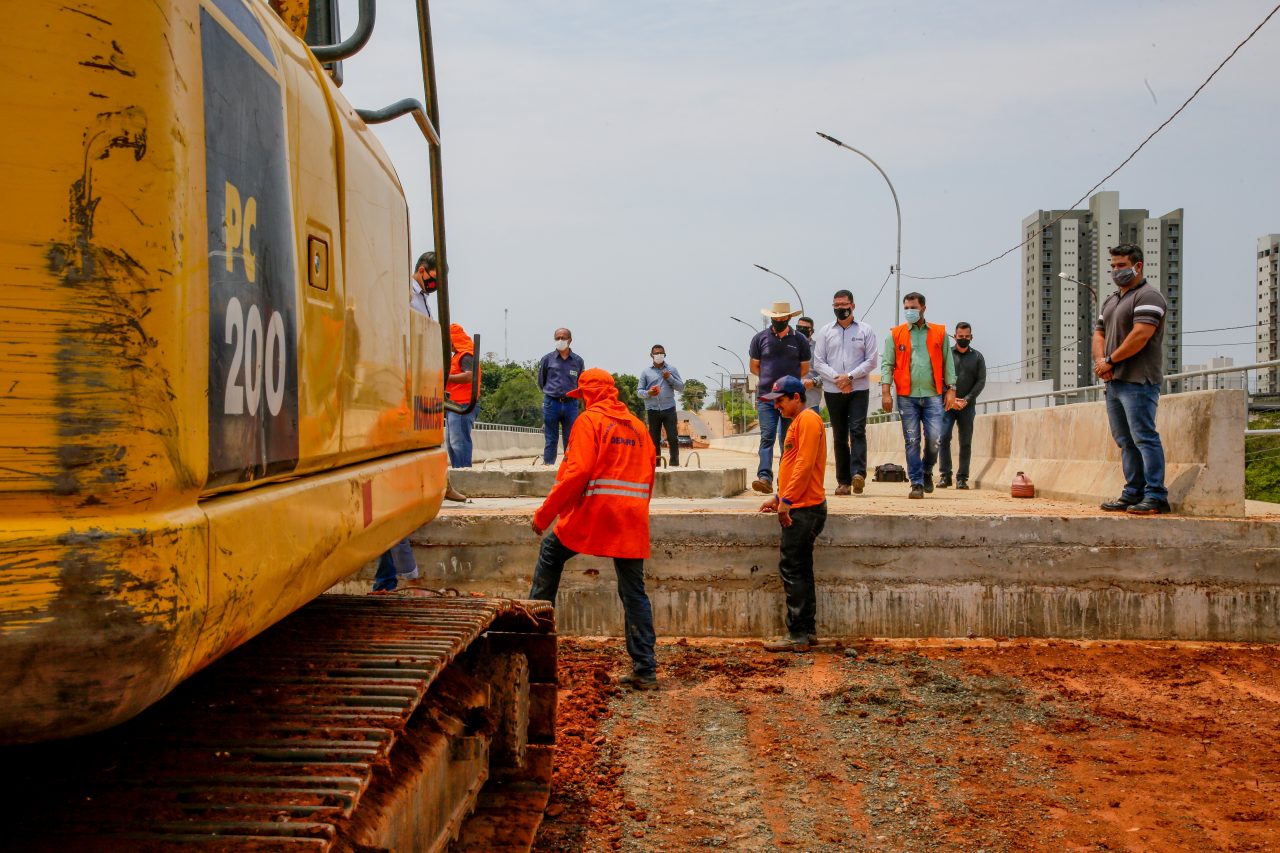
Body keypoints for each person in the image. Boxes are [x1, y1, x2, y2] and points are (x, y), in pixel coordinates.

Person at [528, 368, 660, 689]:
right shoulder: (639, 428)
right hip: (631, 518)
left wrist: (545, 515)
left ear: (587, 395)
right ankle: (646, 669)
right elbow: (649, 475)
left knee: (550, 555)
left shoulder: (589, 422)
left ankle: (531, 651)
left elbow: (577, 472)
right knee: (633, 592)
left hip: (595, 513)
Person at [1093, 243, 1171, 515]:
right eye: (1113, 266)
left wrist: (1110, 361)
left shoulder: (1149, 296)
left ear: (1138, 266)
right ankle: (1133, 491)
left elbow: (1140, 335)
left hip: (1138, 380)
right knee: (1124, 440)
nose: (1116, 270)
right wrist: (1101, 362)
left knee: (1144, 437)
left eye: (1121, 265)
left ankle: (1156, 494)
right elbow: (1099, 334)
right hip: (1114, 382)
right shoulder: (1112, 300)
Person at [756, 376, 828, 652]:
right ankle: (806, 631)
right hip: (800, 503)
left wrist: (786, 500)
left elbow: (805, 464)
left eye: (781, 401)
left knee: (793, 570)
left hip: (803, 508)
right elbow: (794, 465)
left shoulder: (808, 420)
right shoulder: (800, 422)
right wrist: (778, 497)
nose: (777, 407)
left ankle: (797, 633)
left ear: (796, 397)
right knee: (801, 570)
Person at [881, 292, 956, 499]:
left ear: (923, 308)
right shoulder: (895, 334)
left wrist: (951, 388)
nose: (909, 311)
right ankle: (916, 483)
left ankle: (926, 470)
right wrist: (886, 392)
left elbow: (948, 362)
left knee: (935, 439)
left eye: (912, 307)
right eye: (905, 308)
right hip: (907, 395)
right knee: (912, 440)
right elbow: (887, 364)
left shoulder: (939, 333)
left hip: (933, 394)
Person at [813, 289, 878, 496]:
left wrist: (849, 377)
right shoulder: (825, 332)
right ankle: (843, 481)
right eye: (836, 306)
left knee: (857, 430)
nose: (840, 309)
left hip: (858, 388)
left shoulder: (865, 330)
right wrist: (838, 379)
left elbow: (872, 361)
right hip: (833, 390)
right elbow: (819, 362)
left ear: (853, 306)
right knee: (840, 436)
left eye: (844, 305)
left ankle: (858, 473)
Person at [748, 301, 812, 494]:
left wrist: (786, 385)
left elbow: (804, 369)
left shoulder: (799, 340)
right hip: (767, 397)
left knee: (788, 439)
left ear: (789, 318)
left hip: (790, 399)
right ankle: (764, 477)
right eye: (775, 318)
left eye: (781, 318)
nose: (778, 321)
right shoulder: (760, 338)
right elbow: (754, 367)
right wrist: (771, 382)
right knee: (767, 437)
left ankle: (786, 480)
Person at [938, 322, 985, 490]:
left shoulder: (978, 357)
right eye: (960, 336)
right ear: (955, 336)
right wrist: (948, 396)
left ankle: (962, 478)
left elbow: (981, 381)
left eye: (967, 336)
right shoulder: (947, 355)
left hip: (967, 406)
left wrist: (966, 399)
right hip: (947, 404)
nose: (963, 339)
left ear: (971, 337)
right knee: (943, 438)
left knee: (965, 442)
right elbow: (939, 378)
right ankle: (945, 475)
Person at [537, 328, 586, 465]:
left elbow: (581, 383)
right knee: (551, 438)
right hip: (551, 403)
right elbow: (542, 381)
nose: (560, 340)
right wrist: (551, 392)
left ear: (570, 340)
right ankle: (548, 466)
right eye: (557, 338)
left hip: (571, 404)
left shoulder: (578, 361)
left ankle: (569, 467)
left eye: (563, 338)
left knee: (571, 438)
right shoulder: (547, 359)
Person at [638, 344, 685, 467]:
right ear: (651, 355)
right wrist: (649, 392)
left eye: (661, 353)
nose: (659, 355)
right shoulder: (646, 372)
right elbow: (639, 392)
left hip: (669, 408)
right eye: (656, 353)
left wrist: (669, 378)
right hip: (652, 410)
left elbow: (681, 387)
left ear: (664, 355)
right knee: (654, 440)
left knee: (673, 438)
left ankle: (674, 465)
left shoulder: (672, 370)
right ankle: (656, 466)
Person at [445, 322, 479, 469]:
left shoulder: (465, 355)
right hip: (454, 404)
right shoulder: (457, 356)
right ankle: (458, 474)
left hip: (462, 405)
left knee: (459, 443)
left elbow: (469, 376)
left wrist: (446, 377)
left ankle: (464, 473)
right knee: (452, 443)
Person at [795, 317, 823, 414]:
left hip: (810, 403)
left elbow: (827, 375)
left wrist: (814, 382)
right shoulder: (788, 346)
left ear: (812, 331)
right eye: (799, 328)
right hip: (790, 405)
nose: (802, 330)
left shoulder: (819, 349)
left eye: (805, 328)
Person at [410, 251, 440, 317]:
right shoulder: (407, 291)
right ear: (422, 271)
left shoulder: (424, 300)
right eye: (435, 277)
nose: (438, 282)